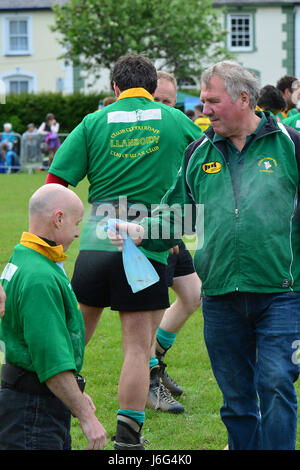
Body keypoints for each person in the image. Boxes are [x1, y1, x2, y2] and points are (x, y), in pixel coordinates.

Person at [109, 60, 300, 450]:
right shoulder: (197, 152)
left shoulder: (291, 144)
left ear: (243, 99)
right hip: (219, 299)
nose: (203, 110)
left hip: (282, 294)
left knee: (276, 384)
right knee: (236, 401)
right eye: (203, 101)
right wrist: (141, 231)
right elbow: (175, 210)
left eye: (212, 101)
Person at [45, 53, 203, 450]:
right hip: (146, 244)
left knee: (74, 336)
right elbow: (208, 162)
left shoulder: (93, 122)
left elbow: (55, 182)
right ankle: (128, 440)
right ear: (153, 89)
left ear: (114, 88)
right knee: (136, 347)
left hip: (99, 238)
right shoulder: (175, 119)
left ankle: (44, 414)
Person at [0, 184, 107, 450]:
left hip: (28, 401)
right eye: (76, 223)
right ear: (58, 218)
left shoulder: (25, 256)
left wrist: (75, 397)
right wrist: (86, 416)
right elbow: (51, 360)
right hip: (33, 413)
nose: (77, 232)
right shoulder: (40, 277)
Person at [149, 70, 202, 411]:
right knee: (147, 313)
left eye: (170, 102)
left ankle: (157, 358)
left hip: (173, 226)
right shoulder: (136, 131)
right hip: (147, 227)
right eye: (158, 101)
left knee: (193, 294)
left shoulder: (179, 125)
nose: (166, 108)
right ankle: (150, 382)